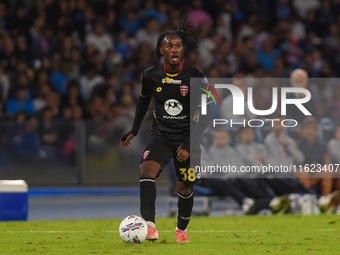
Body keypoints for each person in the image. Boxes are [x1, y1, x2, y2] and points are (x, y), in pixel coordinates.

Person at [120, 14, 209, 242]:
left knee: (185, 187)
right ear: (161, 50)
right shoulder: (150, 75)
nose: (175, 49)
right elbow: (142, 101)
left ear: (183, 50)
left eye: (178, 45)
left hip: (188, 137)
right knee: (146, 171)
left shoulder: (196, 77)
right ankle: (149, 226)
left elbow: (206, 115)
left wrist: (189, 144)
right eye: (169, 45)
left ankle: (181, 229)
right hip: (161, 135)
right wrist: (134, 130)